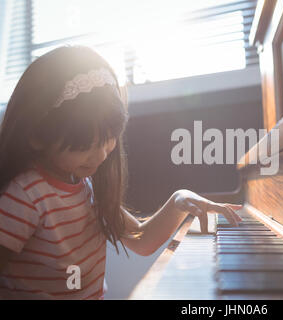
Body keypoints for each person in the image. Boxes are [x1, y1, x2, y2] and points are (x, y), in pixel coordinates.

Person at [0, 45, 242, 299]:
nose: (101, 155)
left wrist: (179, 200)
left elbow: (142, 239)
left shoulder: (85, 185)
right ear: (38, 136)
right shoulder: (25, 196)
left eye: (109, 140)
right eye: (84, 146)